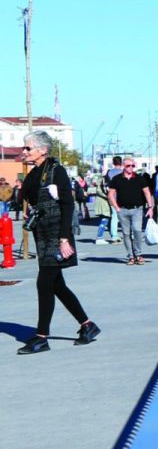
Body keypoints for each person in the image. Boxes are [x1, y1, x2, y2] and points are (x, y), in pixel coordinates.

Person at [15, 130, 100, 354]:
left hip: (56, 235)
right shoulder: (33, 173)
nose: (24, 151)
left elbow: (68, 205)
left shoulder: (56, 171)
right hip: (41, 234)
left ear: (42, 150)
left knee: (44, 283)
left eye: (28, 148)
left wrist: (64, 239)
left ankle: (41, 336)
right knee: (57, 286)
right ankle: (88, 325)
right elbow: (24, 197)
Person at [108, 158, 155, 265]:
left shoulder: (139, 178)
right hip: (122, 209)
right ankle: (130, 256)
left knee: (137, 231)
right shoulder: (116, 179)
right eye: (128, 166)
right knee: (126, 233)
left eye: (133, 166)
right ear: (123, 166)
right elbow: (110, 195)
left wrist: (150, 207)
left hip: (137, 209)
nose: (131, 168)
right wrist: (117, 208)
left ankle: (138, 254)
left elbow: (147, 192)